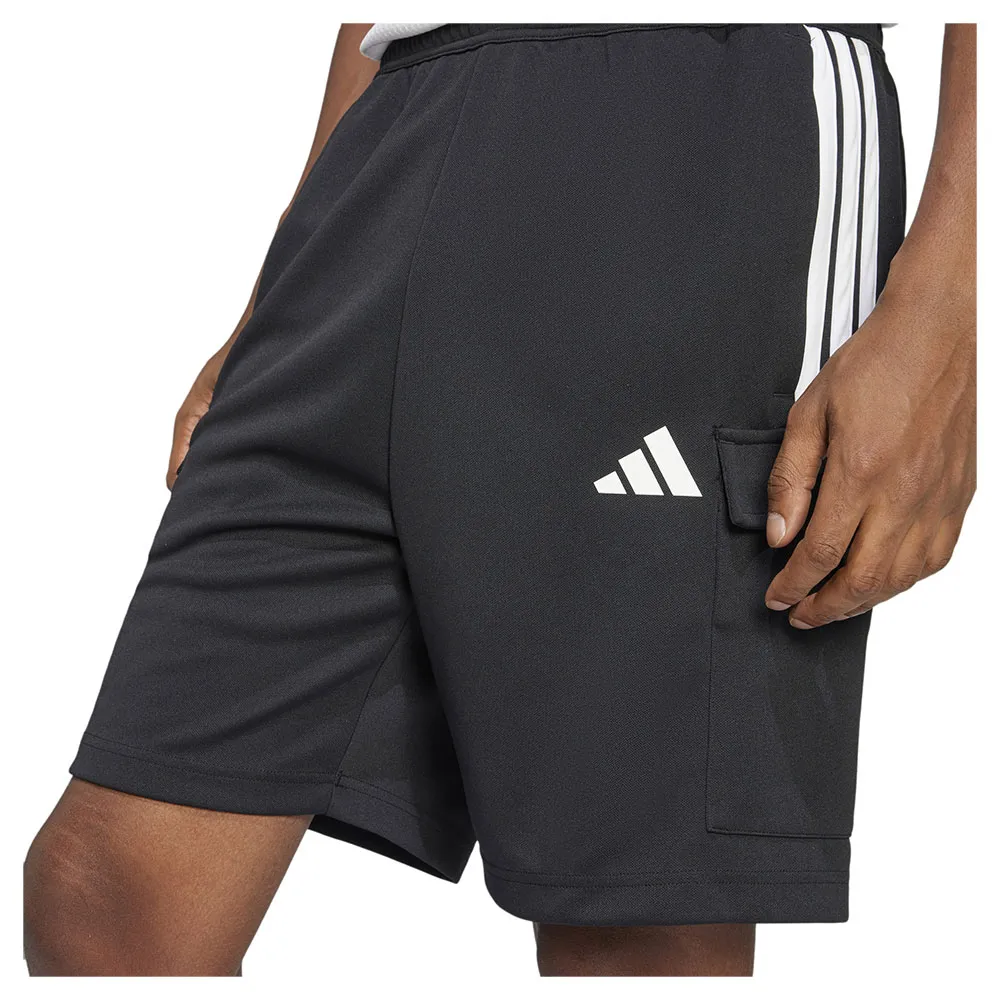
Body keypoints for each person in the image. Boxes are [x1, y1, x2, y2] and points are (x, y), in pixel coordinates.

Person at [23, 23, 975, 977]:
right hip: (399, 119)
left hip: (696, 122)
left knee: (633, 918)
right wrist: (284, 278)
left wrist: (959, 302)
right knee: (103, 901)